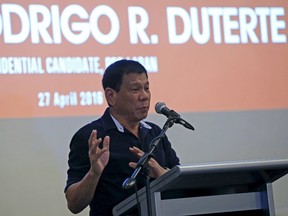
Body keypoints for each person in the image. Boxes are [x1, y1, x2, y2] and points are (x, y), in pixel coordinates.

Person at [64, 59, 180, 216]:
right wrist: (94, 173)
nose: (144, 96)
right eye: (135, 89)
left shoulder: (155, 133)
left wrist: (159, 172)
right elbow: (74, 204)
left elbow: (180, 184)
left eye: (147, 88)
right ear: (111, 96)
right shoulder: (92, 137)